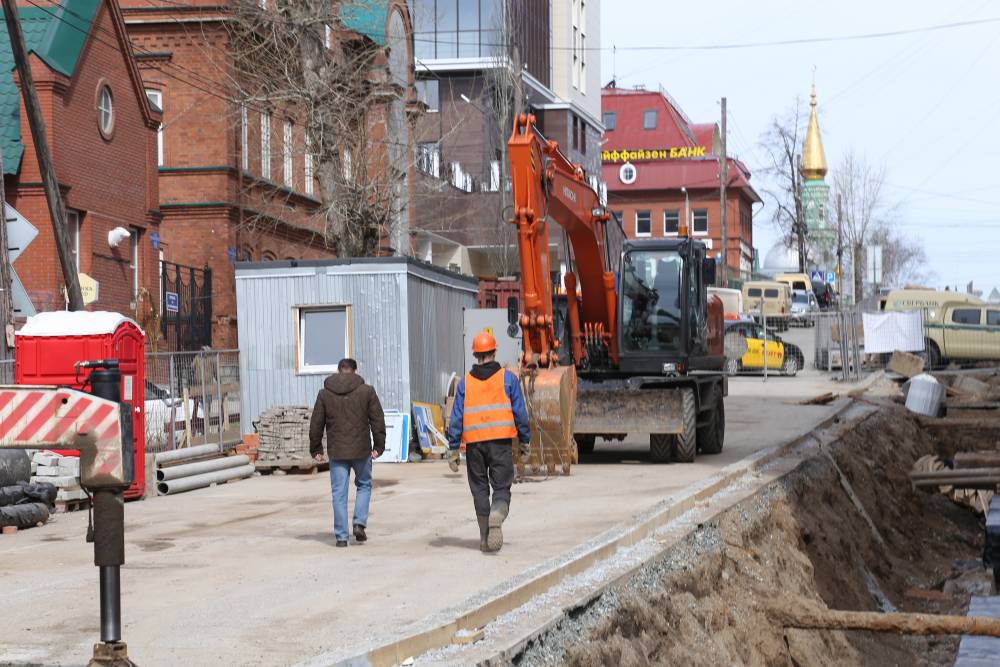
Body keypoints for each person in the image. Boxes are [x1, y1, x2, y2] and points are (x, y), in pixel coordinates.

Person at [447, 332, 531, 553]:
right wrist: (525, 441)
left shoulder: (465, 382)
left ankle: (484, 539)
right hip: (501, 443)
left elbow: (456, 417)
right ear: (494, 352)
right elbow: (520, 413)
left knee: (479, 490)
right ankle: (497, 514)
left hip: (474, 445)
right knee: (501, 486)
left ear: (475, 354)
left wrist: (453, 448)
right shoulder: (508, 379)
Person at [309, 358, 386, 548]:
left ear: (338, 370)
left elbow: (316, 423)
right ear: (355, 371)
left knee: (339, 493)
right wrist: (379, 446)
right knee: (365, 485)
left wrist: (316, 448)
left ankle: (341, 537)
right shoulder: (367, 391)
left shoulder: (324, 394)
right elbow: (377, 420)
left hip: (337, 451)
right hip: (361, 450)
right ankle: (359, 524)